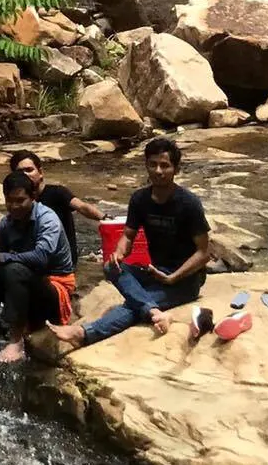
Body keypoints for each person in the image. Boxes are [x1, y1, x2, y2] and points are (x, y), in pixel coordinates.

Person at [45, 136, 210, 355]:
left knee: (132, 307)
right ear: (146, 166)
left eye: (165, 165)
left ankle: (84, 333)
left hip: (185, 280)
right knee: (111, 267)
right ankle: (153, 310)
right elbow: (128, 236)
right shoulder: (140, 199)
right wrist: (119, 252)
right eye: (153, 164)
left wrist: (173, 277)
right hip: (154, 272)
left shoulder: (189, 203)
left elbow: (204, 253)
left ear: (176, 169)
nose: (158, 171)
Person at [0, 171, 76, 362]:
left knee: (14, 269)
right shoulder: (7, 223)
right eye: (9, 201)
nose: (14, 206)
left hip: (54, 286)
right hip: (24, 282)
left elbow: (40, 258)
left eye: (20, 200)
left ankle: (16, 340)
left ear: (33, 197)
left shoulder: (47, 219)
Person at [8, 149, 103, 271]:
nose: (26, 175)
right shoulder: (15, 201)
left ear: (40, 172)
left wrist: (106, 218)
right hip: (34, 259)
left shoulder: (57, 193)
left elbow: (82, 207)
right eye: (20, 172)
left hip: (61, 264)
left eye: (29, 170)